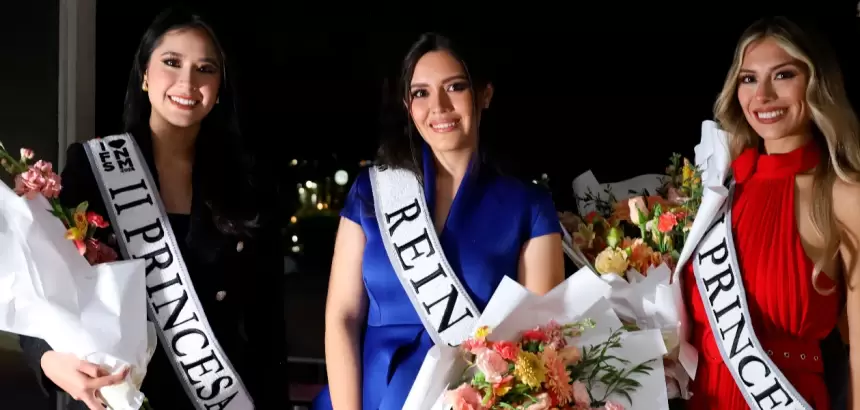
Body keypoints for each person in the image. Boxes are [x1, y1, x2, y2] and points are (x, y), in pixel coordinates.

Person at [18, 7, 289, 410]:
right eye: (171, 63)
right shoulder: (94, 168)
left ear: (220, 88)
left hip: (220, 396)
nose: (188, 82)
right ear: (145, 74)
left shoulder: (249, 185)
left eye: (205, 69)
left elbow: (267, 326)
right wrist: (47, 357)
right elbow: (42, 282)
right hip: (119, 397)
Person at [313, 32, 566, 410]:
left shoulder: (528, 205)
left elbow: (538, 341)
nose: (439, 106)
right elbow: (342, 316)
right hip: (367, 399)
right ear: (407, 105)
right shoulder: (373, 191)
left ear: (485, 94)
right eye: (421, 93)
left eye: (455, 87)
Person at [681, 16, 858, 409]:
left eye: (783, 75)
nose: (762, 95)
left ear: (816, 85)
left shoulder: (844, 196)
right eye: (748, 79)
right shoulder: (719, 191)